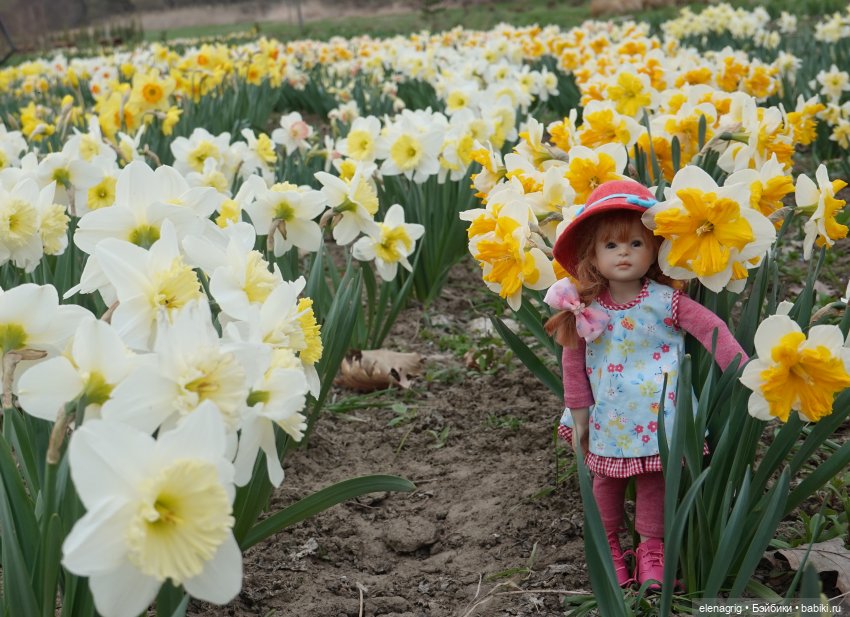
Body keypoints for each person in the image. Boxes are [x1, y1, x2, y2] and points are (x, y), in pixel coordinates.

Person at [544, 179, 747, 589]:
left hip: (662, 417)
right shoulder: (584, 309)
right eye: (611, 246)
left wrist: (745, 371)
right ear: (592, 254)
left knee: (656, 483)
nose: (624, 253)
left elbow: (712, 328)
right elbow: (573, 365)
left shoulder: (664, 301)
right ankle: (609, 548)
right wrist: (579, 415)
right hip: (608, 418)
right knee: (605, 482)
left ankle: (653, 549)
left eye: (636, 244)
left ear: (655, 249)